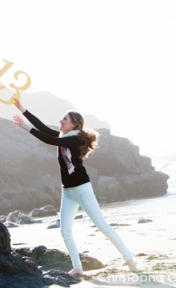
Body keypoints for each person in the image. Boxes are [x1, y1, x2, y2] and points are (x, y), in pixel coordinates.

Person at [11, 95, 138, 276]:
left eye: (64, 119)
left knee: (102, 226)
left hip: (82, 189)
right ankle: (77, 267)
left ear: (74, 125)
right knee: (65, 230)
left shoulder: (74, 139)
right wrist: (22, 108)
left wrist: (26, 127)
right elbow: (44, 129)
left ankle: (129, 260)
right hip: (68, 191)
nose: (60, 121)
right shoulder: (65, 135)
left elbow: (50, 140)